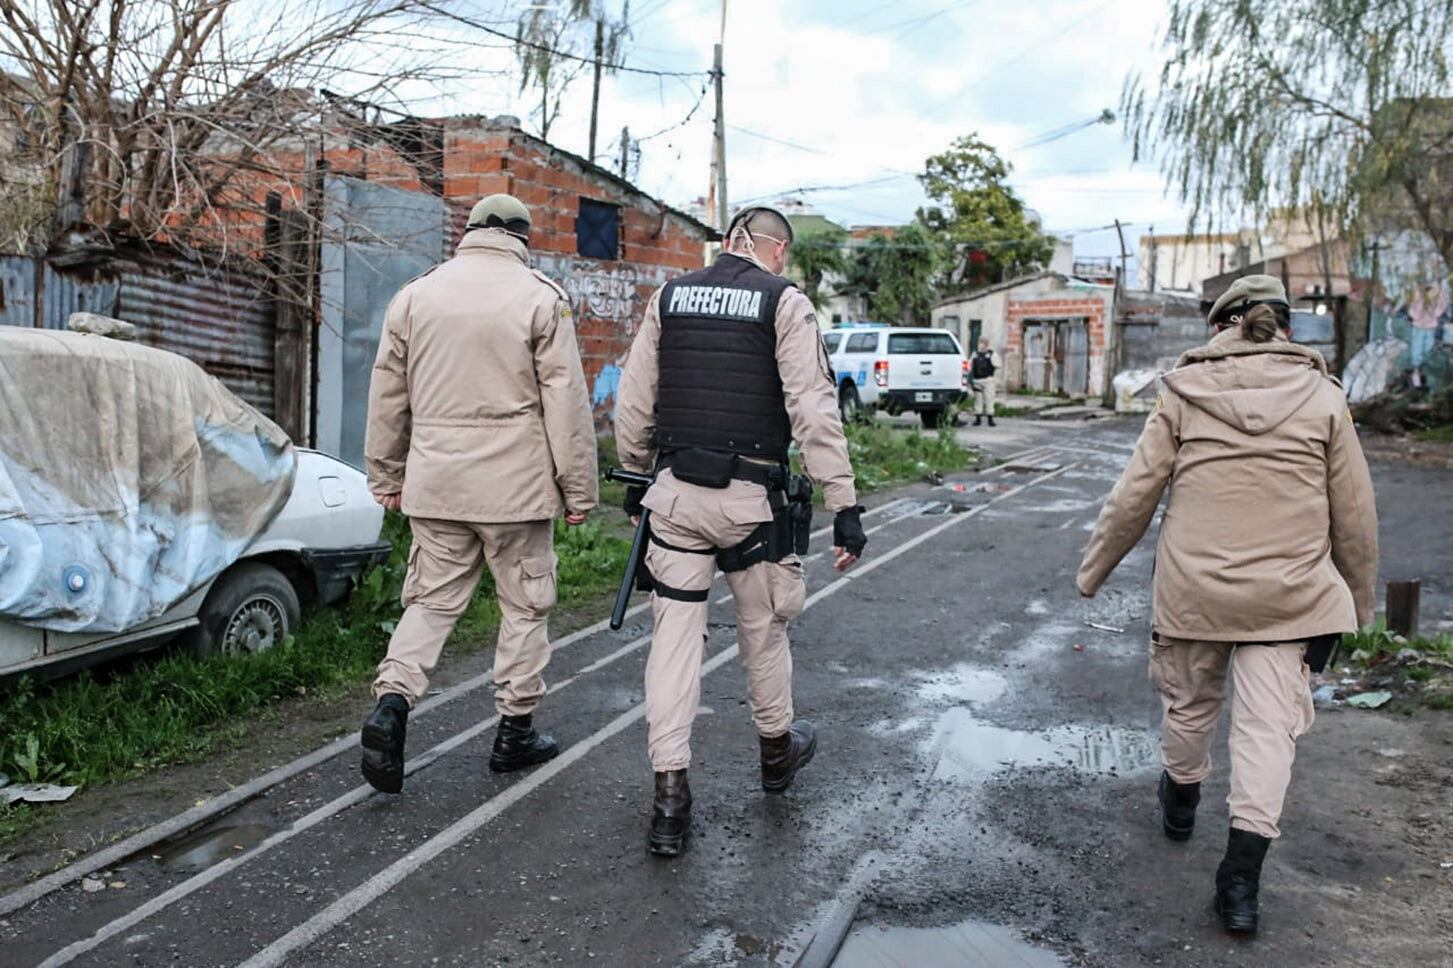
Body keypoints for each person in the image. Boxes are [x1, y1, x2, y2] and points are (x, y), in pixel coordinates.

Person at [1077, 274, 1378, 935]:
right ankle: (1238, 885)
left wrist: (1092, 572)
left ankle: (1180, 802)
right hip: (1292, 598)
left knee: (1189, 705)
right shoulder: (1323, 397)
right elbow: (1353, 513)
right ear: (1283, 327)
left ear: (1220, 327)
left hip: (1194, 592)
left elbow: (1135, 495)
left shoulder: (1181, 393)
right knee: (1267, 732)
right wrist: (1354, 605)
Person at [613, 205, 867, 857]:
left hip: (674, 496)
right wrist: (842, 502)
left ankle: (669, 798)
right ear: (770, 248)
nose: (782, 263)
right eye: (783, 253)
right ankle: (776, 754)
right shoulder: (783, 301)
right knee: (763, 627)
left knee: (672, 641)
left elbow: (636, 399)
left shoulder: (669, 296)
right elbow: (811, 406)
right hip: (750, 502)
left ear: (726, 243)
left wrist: (637, 476)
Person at [360, 194, 598, 794]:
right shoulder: (541, 297)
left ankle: (392, 702)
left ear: (468, 232)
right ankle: (514, 732)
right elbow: (565, 406)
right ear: (523, 237)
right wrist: (579, 491)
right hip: (516, 490)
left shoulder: (415, 295)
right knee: (524, 607)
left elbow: (388, 395)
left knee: (430, 602)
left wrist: (386, 475)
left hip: (436, 483)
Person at [968, 337, 998, 427]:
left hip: (988, 380)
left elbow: (997, 365)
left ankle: (990, 418)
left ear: (987, 344)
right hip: (977, 380)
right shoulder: (975, 354)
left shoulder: (992, 354)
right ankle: (978, 419)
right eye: (980, 342)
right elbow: (969, 364)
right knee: (978, 400)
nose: (981, 345)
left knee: (989, 399)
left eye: (983, 343)